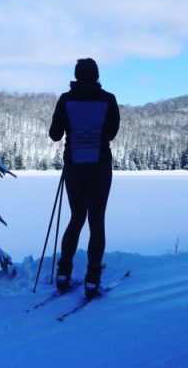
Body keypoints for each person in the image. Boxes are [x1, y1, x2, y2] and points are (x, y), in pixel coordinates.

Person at [48, 57, 120, 298]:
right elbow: (110, 133)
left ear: (77, 75)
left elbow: (55, 135)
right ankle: (92, 279)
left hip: (74, 165)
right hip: (99, 165)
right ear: (97, 75)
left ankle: (63, 273)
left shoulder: (66, 99)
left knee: (76, 218)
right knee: (96, 222)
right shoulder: (108, 99)